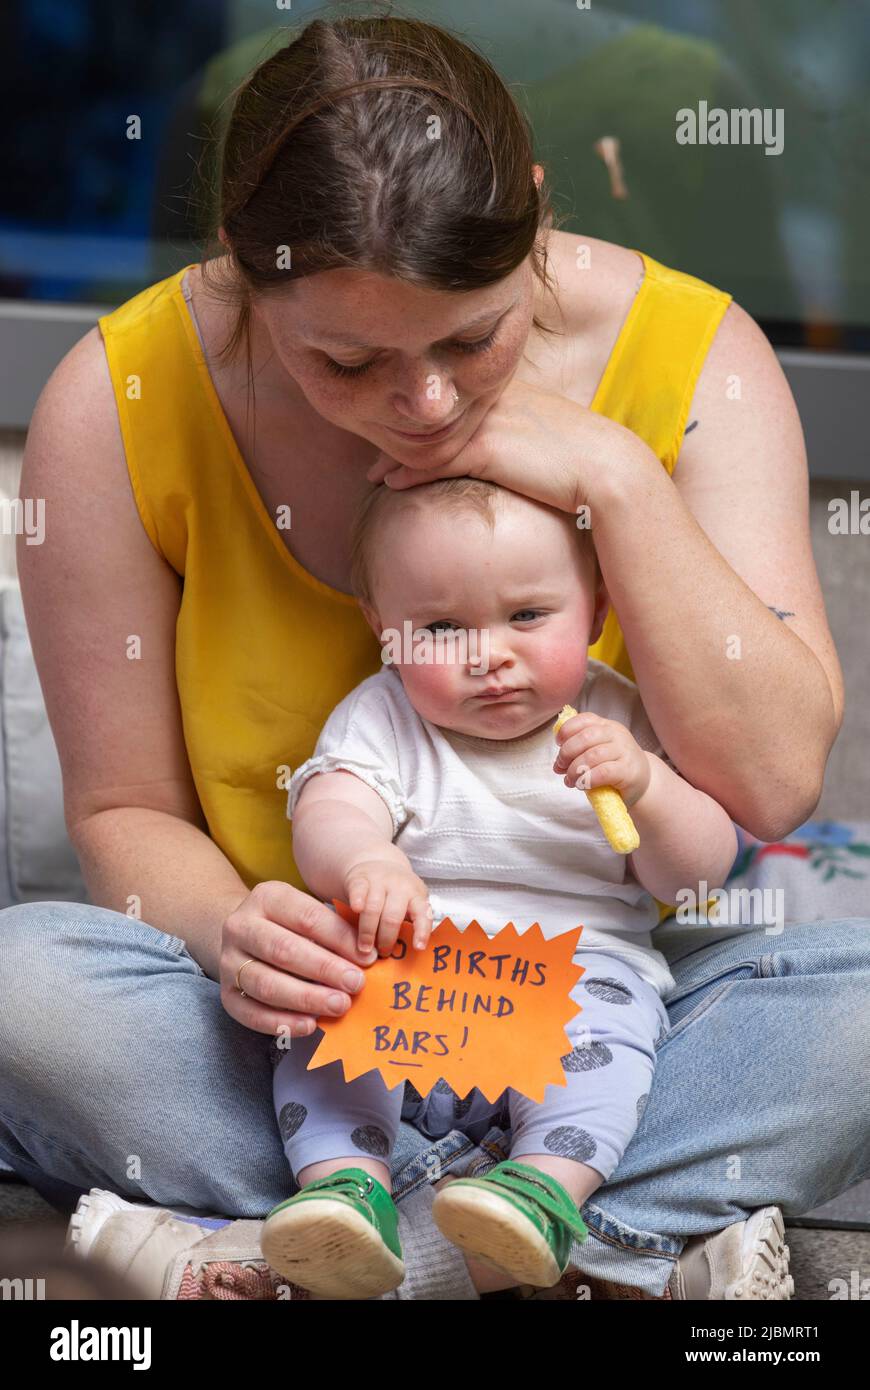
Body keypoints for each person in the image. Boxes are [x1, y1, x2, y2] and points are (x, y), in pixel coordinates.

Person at [3, 14, 863, 1301]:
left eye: (473, 339)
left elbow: (775, 784)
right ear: (243, 265)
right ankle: (578, 1244)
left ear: (530, 218)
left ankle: (330, 1251)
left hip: (606, 1016)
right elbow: (125, 810)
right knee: (26, 985)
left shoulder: (700, 360)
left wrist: (616, 482)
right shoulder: (118, 397)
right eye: (347, 360)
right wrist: (238, 927)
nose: (428, 407)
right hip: (306, 1031)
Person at [259, 476, 740, 1299]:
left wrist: (652, 791)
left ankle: (539, 1192)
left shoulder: (619, 716)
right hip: (415, 980)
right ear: (383, 632)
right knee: (320, 1020)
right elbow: (331, 807)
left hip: (574, 979)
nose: (489, 655)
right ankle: (344, 1191)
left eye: (527, 616)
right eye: (442, 628)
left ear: (594, 611)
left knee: (610, 1045)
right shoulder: (385, 719)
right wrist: (368, 862)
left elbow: (695, 878)